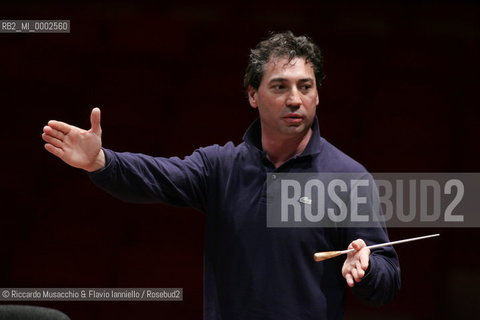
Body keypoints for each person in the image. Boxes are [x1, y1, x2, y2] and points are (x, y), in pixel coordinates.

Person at [42, 31, 400, 319]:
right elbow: (155, 176)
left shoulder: (348, 177)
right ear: (252, 95)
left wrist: (366, 268)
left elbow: (386, 278)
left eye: (305, 86)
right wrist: (101, 161)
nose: (295, 99)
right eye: (280, 86)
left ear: (317, 95)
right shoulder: (221, 167)